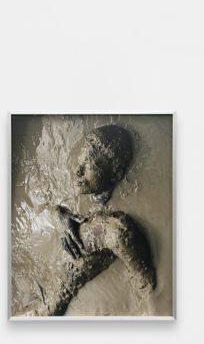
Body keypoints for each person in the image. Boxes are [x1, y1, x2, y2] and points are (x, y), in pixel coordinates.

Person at [28, 124, 156, 316]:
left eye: (89, 165)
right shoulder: (78, 204)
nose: (77, 170)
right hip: (38, 286)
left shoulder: (113, 228)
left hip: (49, 307)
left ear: (116, 174)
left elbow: (148, 290)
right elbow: (53, 208)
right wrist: (59, 216)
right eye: (80, 159)